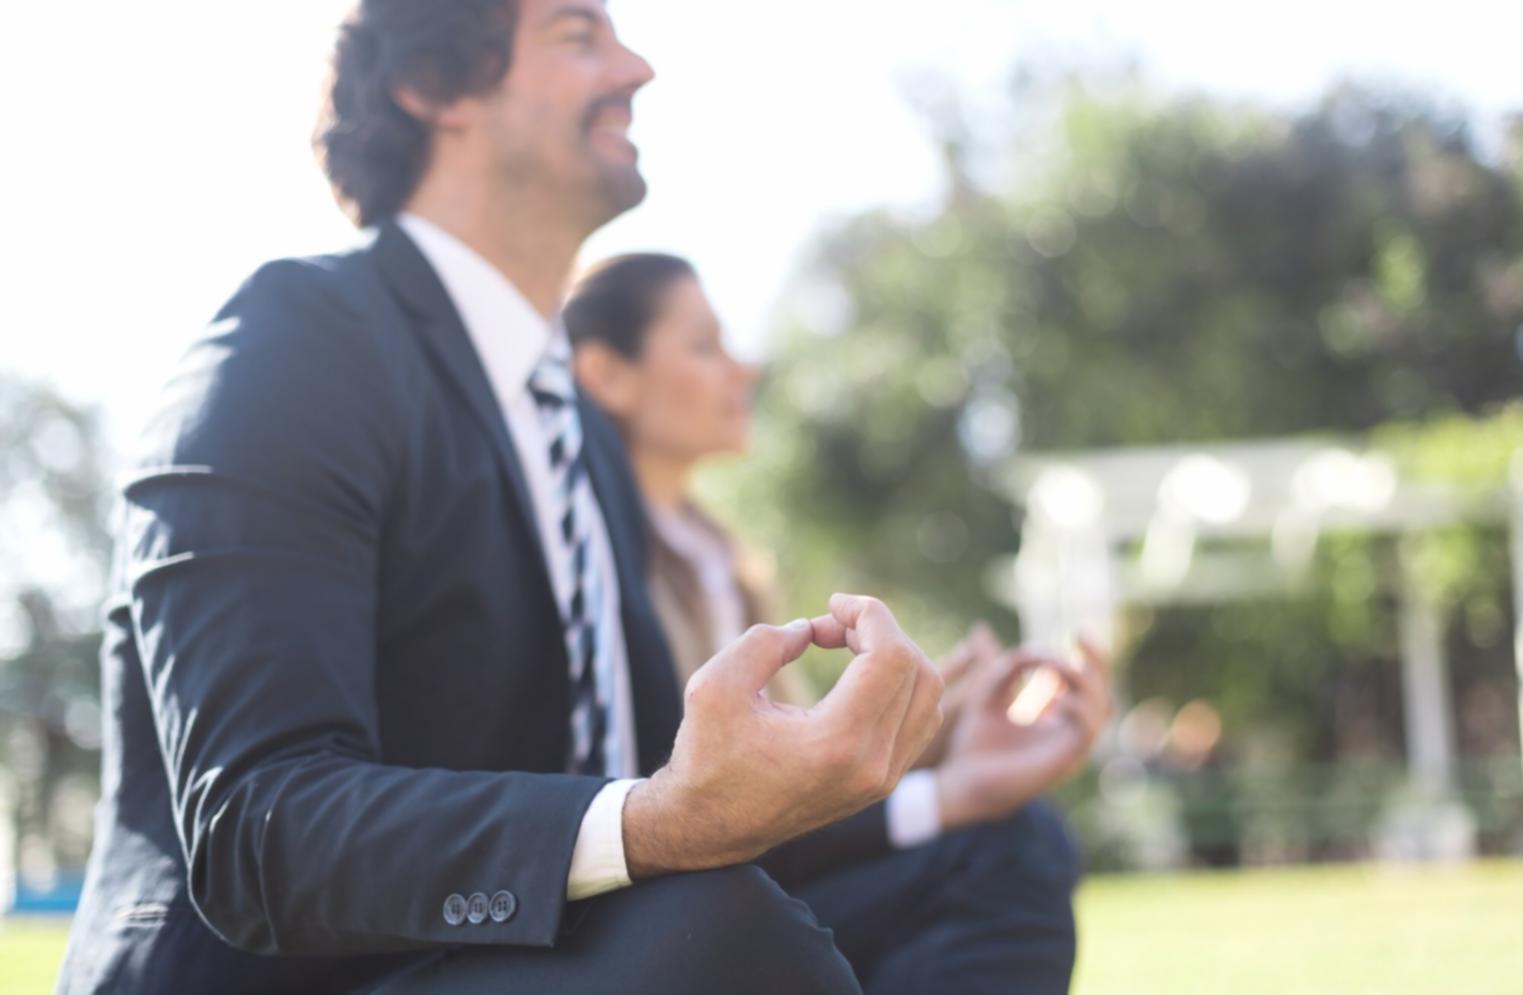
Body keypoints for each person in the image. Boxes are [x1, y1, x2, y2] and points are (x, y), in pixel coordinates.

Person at [55, 3, 1099, 993]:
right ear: (433, 84)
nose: (635, 68)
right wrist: (656, 820)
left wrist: (932, 781)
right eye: (577, 34)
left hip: (528, 951)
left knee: (997, 850)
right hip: (306, 974)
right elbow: (258, 828)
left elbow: (655, 780)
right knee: (711, 927)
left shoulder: (577, 436)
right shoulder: (293, 347)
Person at [567, 252, 1111, 991]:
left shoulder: (723, 559)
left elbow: (784, 795)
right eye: (704, 347)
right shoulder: (588, 564)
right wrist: (950, 790)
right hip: (676, 915)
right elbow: (707, 805)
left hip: (757, 888)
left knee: (1021, 833)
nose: (743, 370)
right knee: (1010, 845)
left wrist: (925, 729)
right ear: (607, 375)